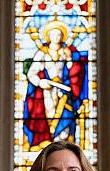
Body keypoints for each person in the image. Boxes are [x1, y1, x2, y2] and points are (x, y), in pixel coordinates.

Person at [24, 20, 87, 150]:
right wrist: (40, 82)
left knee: (64, 115)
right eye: (53, 35)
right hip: (47, 90)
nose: (56, 38)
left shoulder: (67, 51)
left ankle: (62, 143)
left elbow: (74, 71)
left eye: (59, 35)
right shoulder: (42, 53)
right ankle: (48, 143)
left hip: (63, 91)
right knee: (48, 115)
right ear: (49, 36)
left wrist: (69, 59)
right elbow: (32, 73)